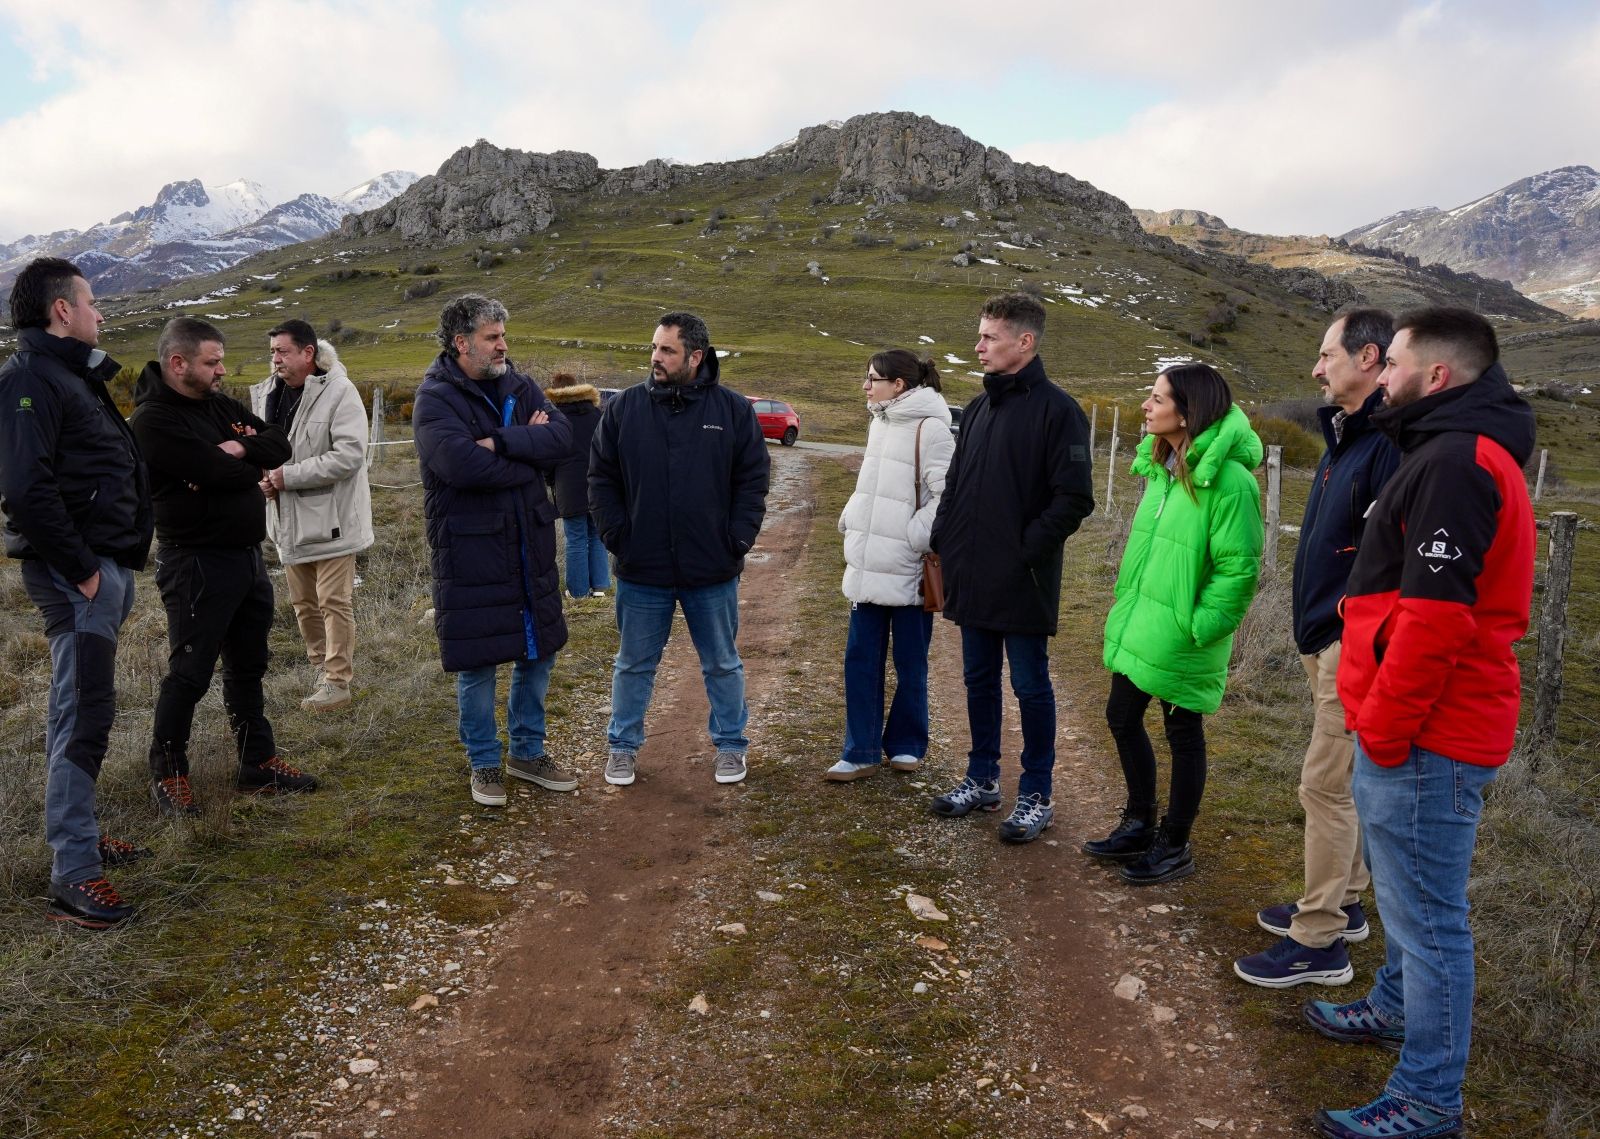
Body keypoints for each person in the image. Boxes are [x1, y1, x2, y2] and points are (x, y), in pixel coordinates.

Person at [1306, 308, 1535, 1139]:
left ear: (1436, 376)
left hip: (1429, 734)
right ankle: (1394, 1007)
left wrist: (1386, 729)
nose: (1385, 372)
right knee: (1410, 906)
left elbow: (1436, 621)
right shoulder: (1449, 450)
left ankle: (1431, 1097)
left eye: (1395, 361)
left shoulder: (1457, 463)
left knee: (1431, 918)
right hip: (1421, 727)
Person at [1235, 309, 1399, 987]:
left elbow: (1389, 558)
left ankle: (1320, 936)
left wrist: (1341, 622)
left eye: (1326, 354)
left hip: (1350, 641)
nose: (1315, 368)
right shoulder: (1348, 432)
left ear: (1367, 357)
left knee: (1324, 786)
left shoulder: (1389, 440)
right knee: (1344, 781)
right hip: (1328, 636)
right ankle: (1348, 900)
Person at [0, 257, 153, 928]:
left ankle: (79, 835)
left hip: (99, 568)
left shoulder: (68, 375)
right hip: (77, 575)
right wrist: (86, 570)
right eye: (91, 302)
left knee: (76, 710)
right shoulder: (31, 379)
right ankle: (74, 873)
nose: (99, 313)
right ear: (62, 310)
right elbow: (26, 490)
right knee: (84, 715)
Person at [131, 317, 319, 816]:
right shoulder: (153, 420)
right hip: (195, 562)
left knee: (249, 665)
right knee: (190, 672)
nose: (221, 370)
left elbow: (279, 443)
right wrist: (239, 467)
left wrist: (237, 448)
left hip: (245, 557)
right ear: (178, 363)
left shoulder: (219, 406)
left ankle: (256, 761)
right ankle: (168, 771)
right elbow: (214, 471)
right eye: (211, 362)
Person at [1085, 363, 1263, 884]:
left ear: (1187, 413)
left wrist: (1199, 626)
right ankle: (1139, 822)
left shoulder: (1230, 481)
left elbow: (1239, 568)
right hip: (1145, 618)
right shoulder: (1164, 467)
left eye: (1157, 399)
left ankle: (1174, 843)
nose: (1146, 406)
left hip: (1184, 630)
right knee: (1122, 715)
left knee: (1182, 731)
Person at [928, 293, 1094, 843]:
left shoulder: (1059, 411)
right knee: (977, 680)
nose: (978, 346)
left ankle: (1036, 793)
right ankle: (981, 779)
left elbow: (1074, 499)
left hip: (1023, 580)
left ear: (1024, 342)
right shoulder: (977, 409)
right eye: (979, 335)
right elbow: (955, 487)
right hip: (971, 574)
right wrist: (943, 543)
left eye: (989, 337)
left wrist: (1024, 551)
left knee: (1029, 686)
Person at [589, 311, 770, 788]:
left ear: (696, 356)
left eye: (667, 350)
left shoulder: (732, 411)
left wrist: (737, 539)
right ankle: (622, 748)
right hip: (641, 566)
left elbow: (752, 481)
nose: (655, 358)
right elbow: (601, 479)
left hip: (711, 568)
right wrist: (617, 536)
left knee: (722, 662)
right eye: (654, 347)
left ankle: (731, 747)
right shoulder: (625, 408)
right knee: (633, 665)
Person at [413, 294, 576, 807]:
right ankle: (484, 762)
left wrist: (498, 443)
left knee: (539, 649)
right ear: (461, 343)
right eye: (492, 337)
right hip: (471, 552)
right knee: (478, 660)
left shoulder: (521, 384)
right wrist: (526, 450)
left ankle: (527, 752)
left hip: (530, 544)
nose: (503, 345)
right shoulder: (436, 398)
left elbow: (563, 439)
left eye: (503, 334)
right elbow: (461, 467)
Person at [825, 350, 954, 781]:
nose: (866, 386)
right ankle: (859, 749)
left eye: (873, 378)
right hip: (867, 565)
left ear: (898, 384)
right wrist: (853, 517)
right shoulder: (879, 423)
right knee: (860, 659)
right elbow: (871, 484)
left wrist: (913, 538)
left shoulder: (932, 429)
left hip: (909, 567)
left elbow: (945, 498)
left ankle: (907, 744)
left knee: (911, 661)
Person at [249, 319, 374, 712]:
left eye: (282, 352)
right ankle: (322, 672)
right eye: (272, 352)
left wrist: (288, 477)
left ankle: (338, 682)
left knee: (333, 601)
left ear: (308, 353)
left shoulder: (340, 392)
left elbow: (351, 455)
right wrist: (265, 479)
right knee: (303, 603)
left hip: (334, 515)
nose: (275, 360)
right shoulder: (267, 393)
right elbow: (261, 450)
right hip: (287, 516)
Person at [543, 372, 610, 598]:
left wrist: (549, 479)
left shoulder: (556, 418)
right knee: (597, 534)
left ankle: (579, 591)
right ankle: (600, 586)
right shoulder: (596, 414)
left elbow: (550, 455)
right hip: (597, 483)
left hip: (568, 485)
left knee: (576, 538)